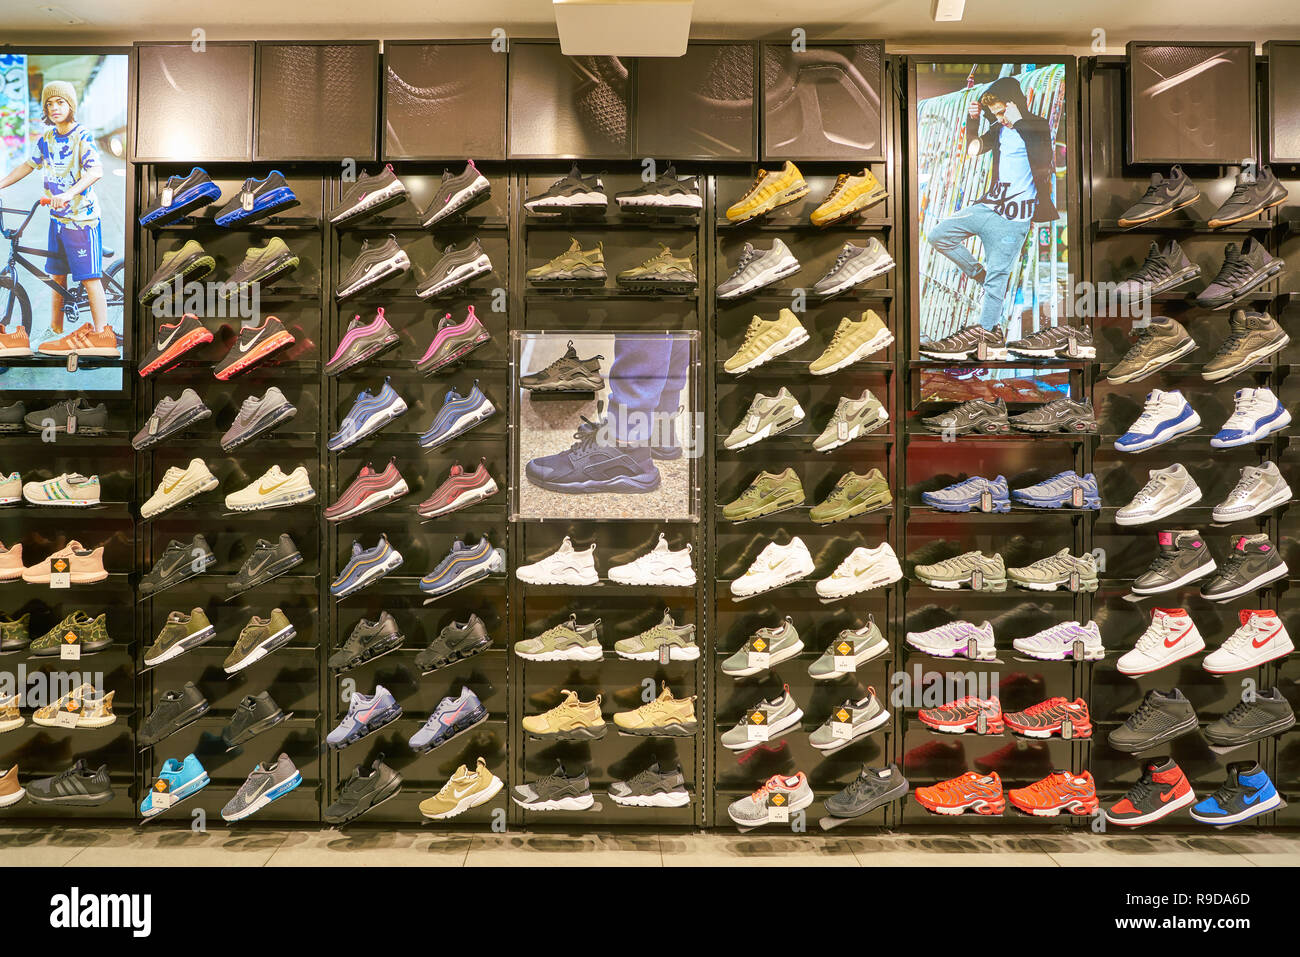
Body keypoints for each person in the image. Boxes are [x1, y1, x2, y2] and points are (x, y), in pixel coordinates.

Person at [927, 75, 1059, 331]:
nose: (1000, 119)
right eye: (995, 114)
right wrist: (973, 121)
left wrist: (1018, 121)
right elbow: (973, 149)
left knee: (997, 284)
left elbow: (1043, 160)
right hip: (989, 207)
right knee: (938, 236)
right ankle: (980, 275)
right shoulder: (999, 129)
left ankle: (986, 336)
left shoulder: (1037, 126)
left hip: (1014, 219)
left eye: (1002, 112)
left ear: (1014, 104)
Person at [0, 80, 115, 355]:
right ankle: (55, 330)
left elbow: (95, 171)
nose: (54, 108)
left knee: (89, 278)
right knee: (56, 277)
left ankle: (102, 335)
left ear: (71, 105)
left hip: (81, 220)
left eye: (60, 102)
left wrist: (69, 193)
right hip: (57, 220)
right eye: (49, 104)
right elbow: (28, 165)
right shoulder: (48, 138)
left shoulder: (82, 136)